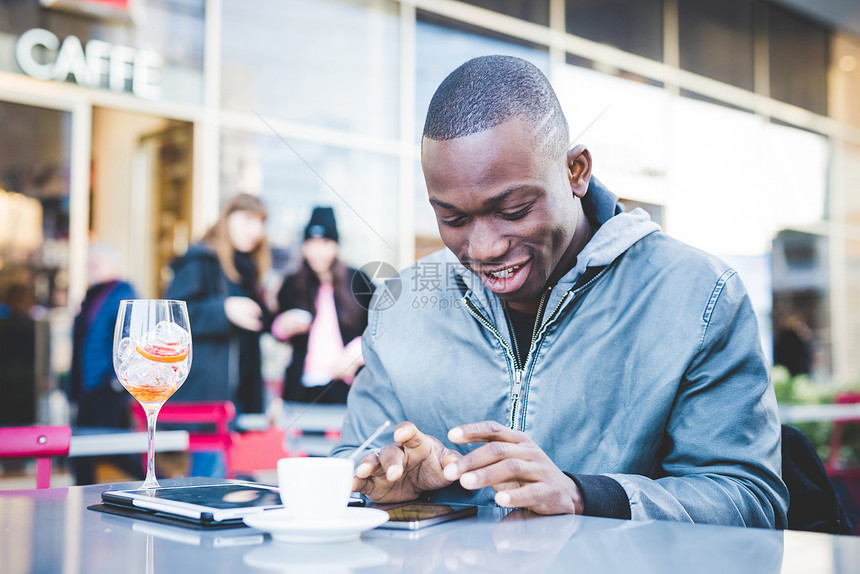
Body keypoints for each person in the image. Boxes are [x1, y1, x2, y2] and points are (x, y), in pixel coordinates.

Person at [333, 55, 789, 528]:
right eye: (453, 219)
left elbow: (749, 500)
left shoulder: (699, 296)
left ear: (576, 171)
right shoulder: (401, 305)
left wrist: (583, 495)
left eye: (513, 210)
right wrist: (383, 485)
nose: (485, 248)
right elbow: (354, 457)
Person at [165, 193, 273, 476]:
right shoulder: (200, 261)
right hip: (206, 401)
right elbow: (174, 316)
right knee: (208, 489)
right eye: (248, 219)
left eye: (261, 223)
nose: (256, 231)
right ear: (227, 218)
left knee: (229, 484)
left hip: (236, 401)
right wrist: (223, 309)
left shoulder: (245, 269)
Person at [272, 207, 374, 404]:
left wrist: (357, 351)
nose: (317, 251)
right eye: (311, 243)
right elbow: (272, 327)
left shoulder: (358, 280)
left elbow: (380, 327)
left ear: (336, 246)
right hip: (302, 388)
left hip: (348, 385)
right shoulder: (292, 283)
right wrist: (282, 326)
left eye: (325, 243)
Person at [68, 244, 143, 484]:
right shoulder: (93, 295)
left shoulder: (122, 293)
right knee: (80, 450)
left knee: (112, 447)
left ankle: (160, 480)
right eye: (89, 263)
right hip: (87, 388)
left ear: (114, 266)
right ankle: (80, 498)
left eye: (97, 262)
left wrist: (114, 379)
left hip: (106, 387)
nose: (91, 268)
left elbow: (131, 338)